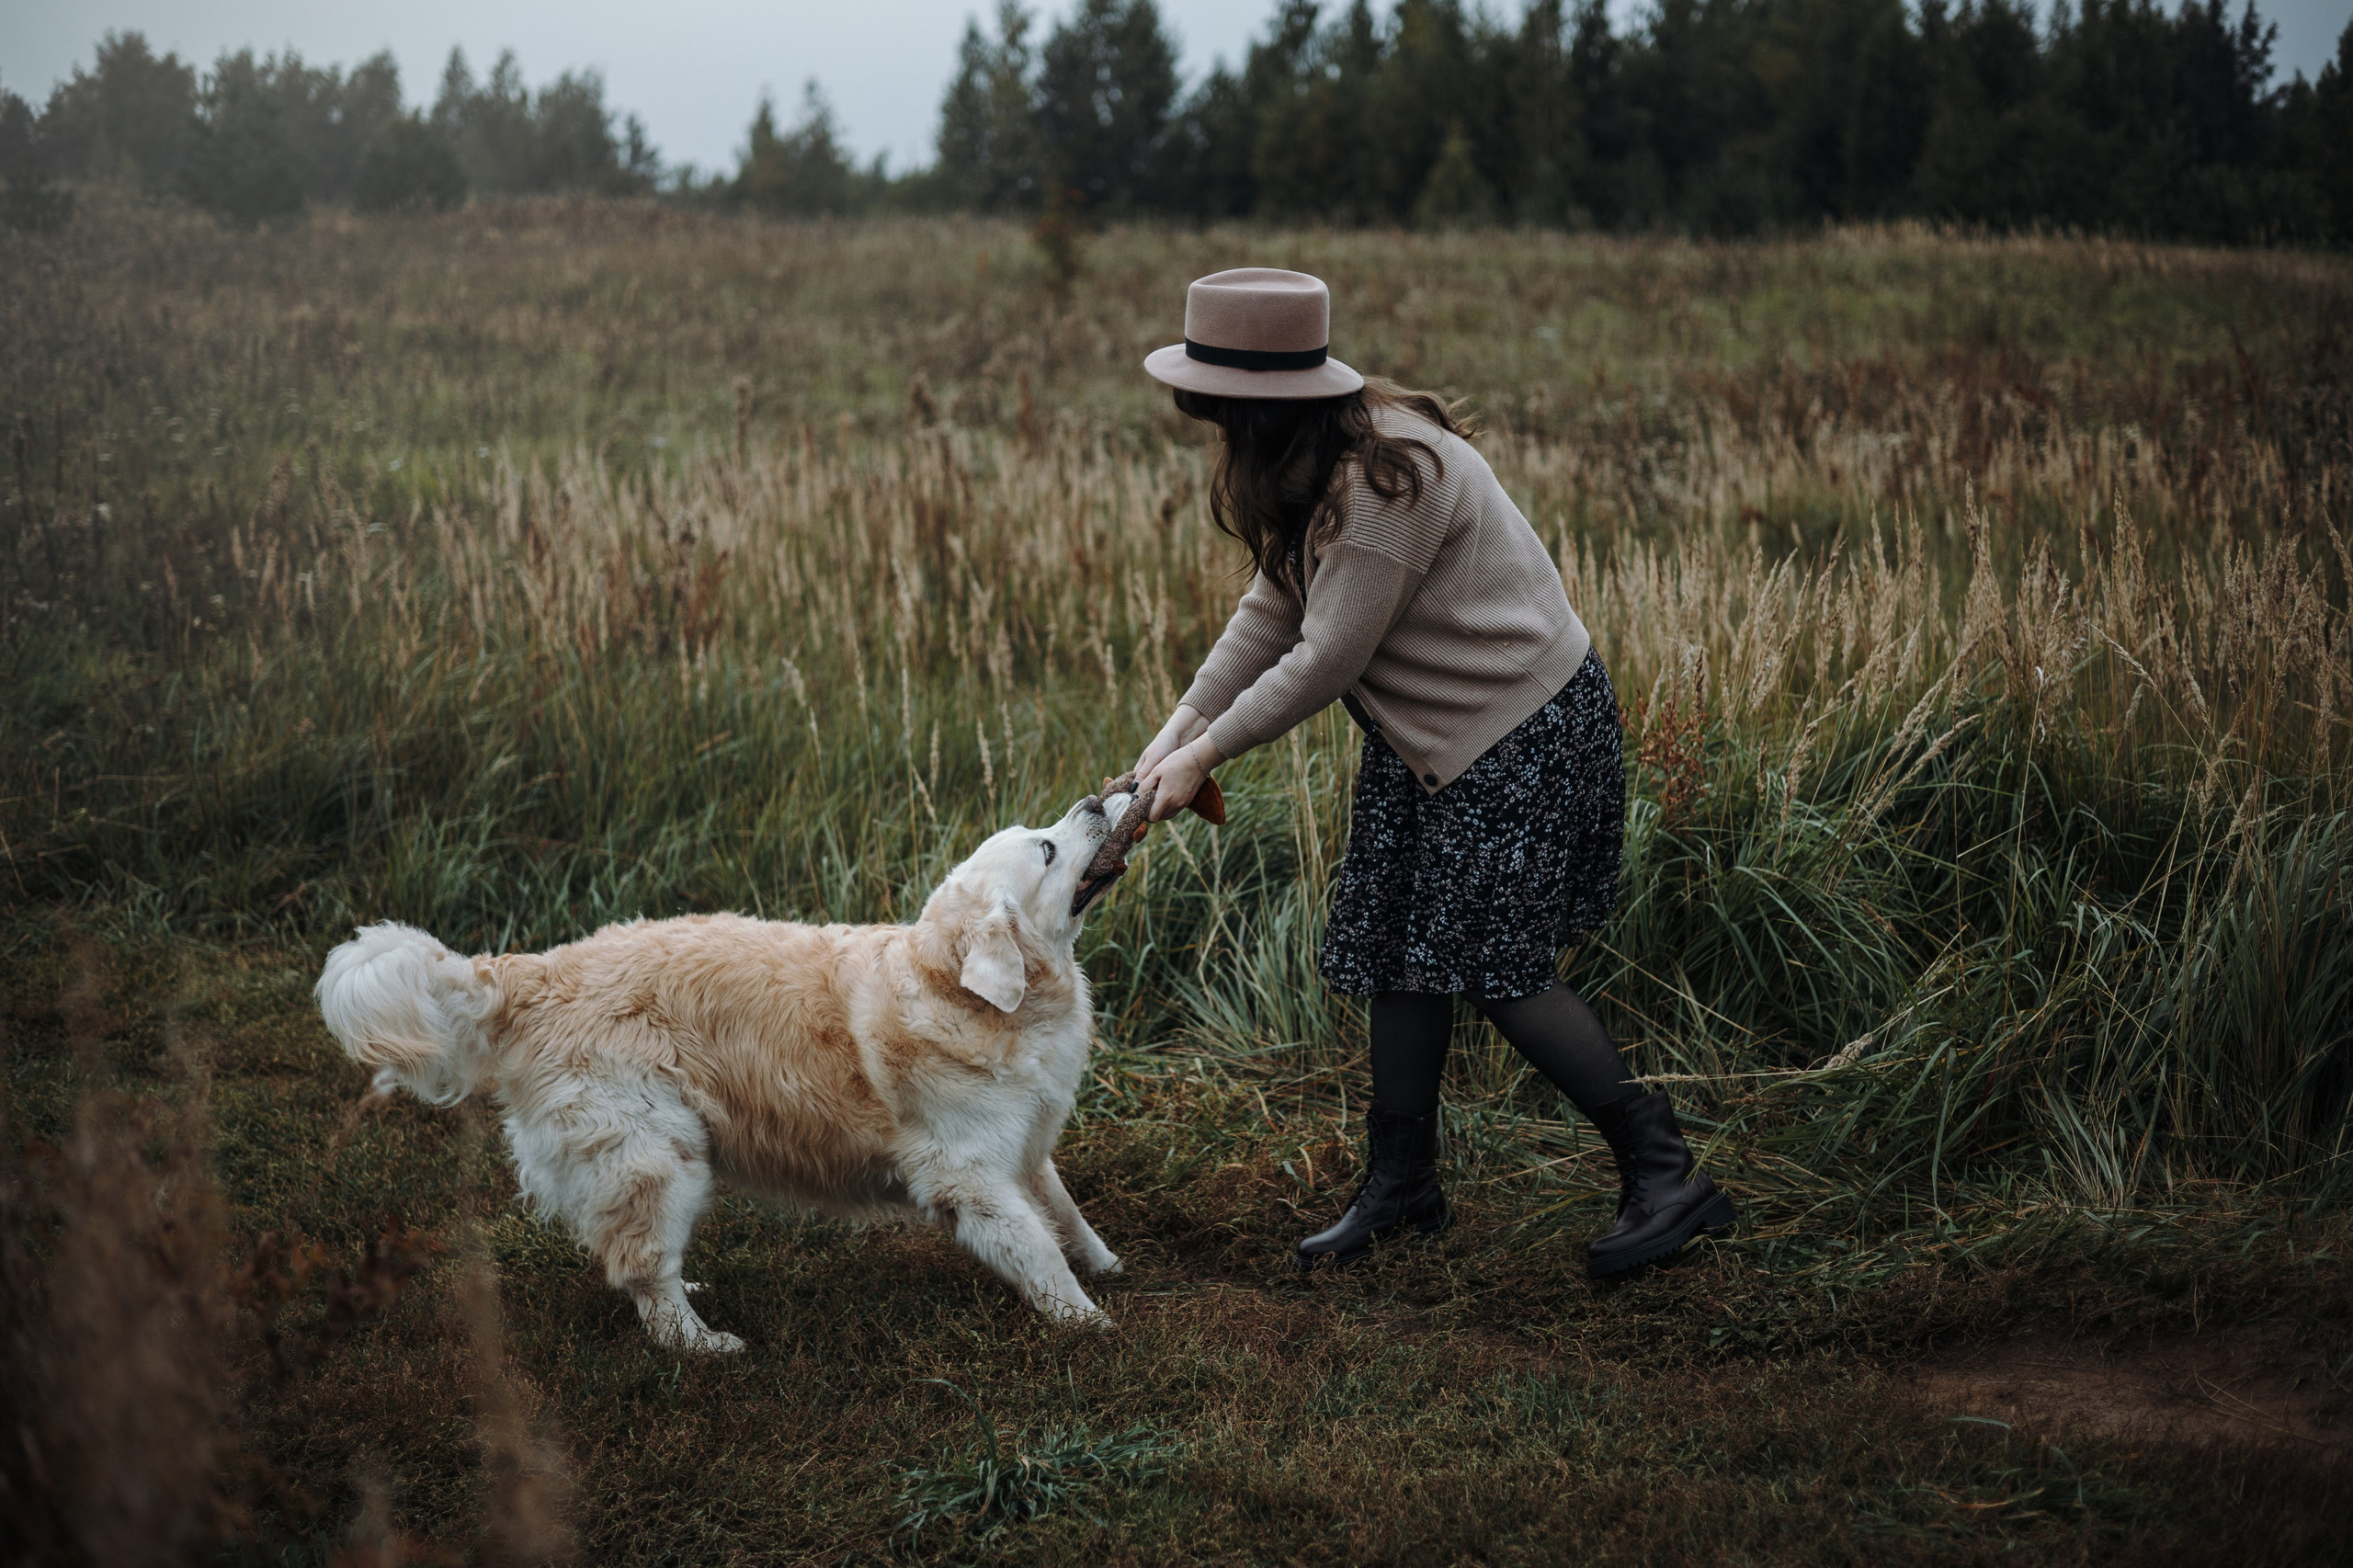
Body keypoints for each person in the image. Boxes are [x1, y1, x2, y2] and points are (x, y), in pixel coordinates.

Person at [1131, 267, 1733, 1278]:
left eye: (1216, 410)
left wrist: (1204, 756)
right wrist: (1174, 732)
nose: (1213, 432)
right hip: (1430, 743)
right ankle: (1402, 1185)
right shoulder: (1316, 453)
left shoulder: (1382, 478)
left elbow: (1329, 656)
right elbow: (1274, 611)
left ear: (1254, 403)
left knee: (1497, 968)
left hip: (1520, 730)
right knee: (1399, 950)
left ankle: (1666, 1173)